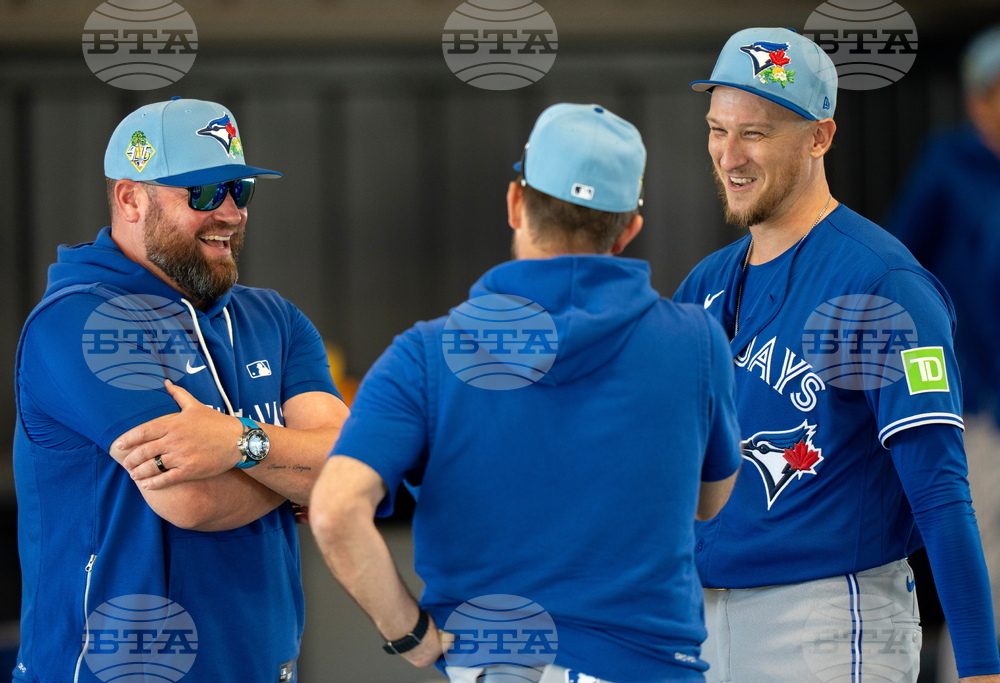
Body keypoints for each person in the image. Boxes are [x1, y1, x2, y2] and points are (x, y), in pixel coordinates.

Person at [308, 103, 742, 682]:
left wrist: (409, 633)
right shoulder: (696, 342)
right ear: (629, 228)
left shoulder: (425, 355)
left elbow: (336, 510)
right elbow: (708, 503)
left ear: (516, 202)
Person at [673, 27, 1000, 683]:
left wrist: (982, 668)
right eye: (718, 129)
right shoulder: (705, 284)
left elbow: (940, 492)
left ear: (820, 137)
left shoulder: (885, 287)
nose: (729, 155)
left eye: (755, 133)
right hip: (701, 620)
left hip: (828, 623)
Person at [13, 97, 349, 682]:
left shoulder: (275, 319)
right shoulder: (83, 322)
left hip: (261, 665)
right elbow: (191, 501)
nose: (230, 212)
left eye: (239, 191)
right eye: (201, 194)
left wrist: (237, 445)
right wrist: (298, 471)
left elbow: (356, 463)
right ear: (130, 198)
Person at [886, 25, 1000, 682]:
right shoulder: (948, 165)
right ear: (977, 101)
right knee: (977, 551)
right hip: (975, 394)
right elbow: (902, 269)